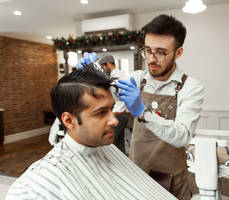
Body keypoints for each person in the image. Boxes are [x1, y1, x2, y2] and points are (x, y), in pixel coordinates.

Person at [5, 67, 177, 200]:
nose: (114, 120)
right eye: (101, 112)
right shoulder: (37, 184)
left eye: (111, 109)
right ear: (69, 120)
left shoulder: (105, 148)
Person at [116, 14, 205, 200]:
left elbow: (182, 136)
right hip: (137, 173)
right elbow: (110, 92)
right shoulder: (138, 79)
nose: (151, 59)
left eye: (161, 52)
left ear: (178, 53)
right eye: (147, 50)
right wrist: (92, 73)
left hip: (170, 180)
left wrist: (143, 112)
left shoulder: (191, 88)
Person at [99, 55, 130, 154]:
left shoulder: (115, 78)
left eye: (102, 67)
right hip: (123, 115)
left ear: (108, 65)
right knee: (119, 145)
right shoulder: (123, 75)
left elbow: (114, 98)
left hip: (117, 115)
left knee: (110, 146)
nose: (103, 70)